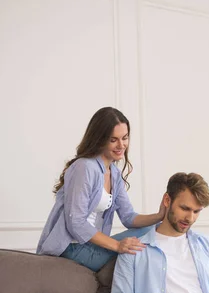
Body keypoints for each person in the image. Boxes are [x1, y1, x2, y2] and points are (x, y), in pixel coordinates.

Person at [37, 107, 165, 271]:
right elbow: (75, 222)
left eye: (125, 138)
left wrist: (160, 215)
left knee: (156, 227)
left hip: (90, 246)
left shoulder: (114, 173)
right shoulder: (85, 167)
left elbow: (128, 217)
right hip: (70, 248)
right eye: (113, 140)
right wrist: (117, 245)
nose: (121, 145)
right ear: (100, 139)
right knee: (150, 233)